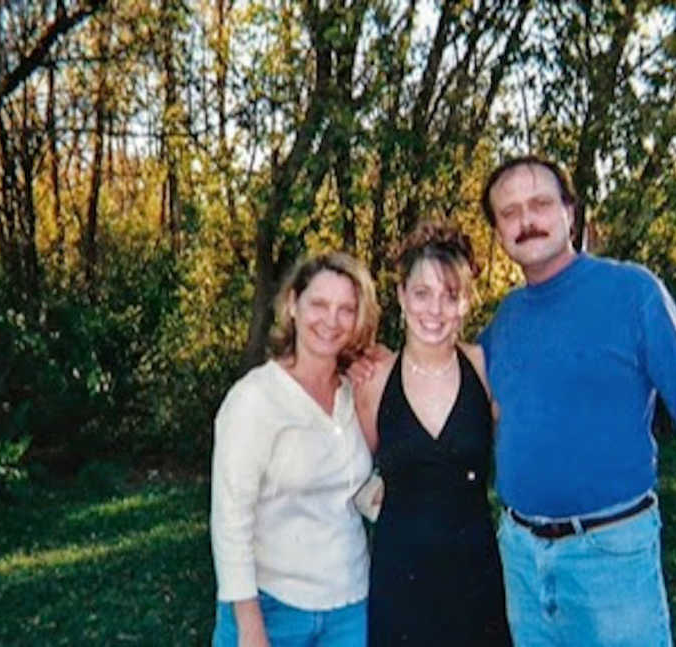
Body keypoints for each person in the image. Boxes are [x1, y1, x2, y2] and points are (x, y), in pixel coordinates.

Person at [478, 155, 676, 646]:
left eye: (540, 204)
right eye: (510, 213)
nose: (526, 221)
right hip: (522, 562)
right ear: (498, 230)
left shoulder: (632, 292)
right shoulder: (504, 322)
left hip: (612, 559)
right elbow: (452, 387)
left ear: (570, 210)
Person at [353, 222, 512, 646]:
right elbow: (353, 474)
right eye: (422, 293)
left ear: (466, 302)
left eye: (450, 295)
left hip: (475, 578)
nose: (435, 310)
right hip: (400, 582)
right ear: (402, 295)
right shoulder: (372, 381)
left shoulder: (483, 367)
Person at [210, 252, 380, 647]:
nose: (331, 320)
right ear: (292, 305)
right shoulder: (255, 399)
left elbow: (350, 485)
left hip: (351, 607)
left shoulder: (355, 393)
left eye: (346, 310)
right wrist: (250, 625)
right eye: (319, 304)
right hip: (271, 607)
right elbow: (230, 519)